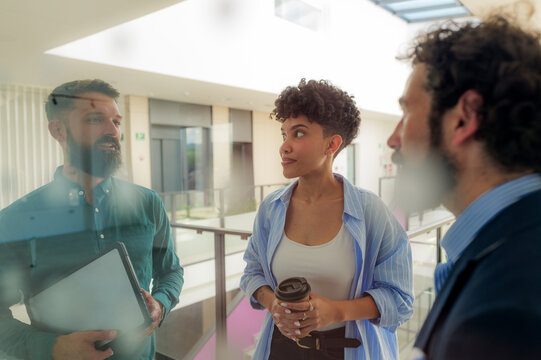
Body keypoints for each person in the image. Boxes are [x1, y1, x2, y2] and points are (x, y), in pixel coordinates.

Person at [387, 17, 541, 360]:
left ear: (464, 118)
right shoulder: (503, 245)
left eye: (408, 113)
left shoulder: (507, 309)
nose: (393, 139)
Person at [0, 79, 184, 360]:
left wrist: (160, 304)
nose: (113, 131)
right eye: (96, 119)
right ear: (58, 130)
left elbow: (170, 272)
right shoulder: (16, 220)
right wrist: (53, 347)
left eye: (117, 122)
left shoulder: (148, 204)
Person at [241, 79, 413, 359]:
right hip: (281, 348)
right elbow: (252, 273)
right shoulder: (272, 209)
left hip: (345, 350)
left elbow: (400, 300)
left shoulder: (371, 212)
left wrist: (337, 311)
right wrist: (273, 304)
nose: (284, 146)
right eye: (284, 134)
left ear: (331, 144)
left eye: (298, 134)